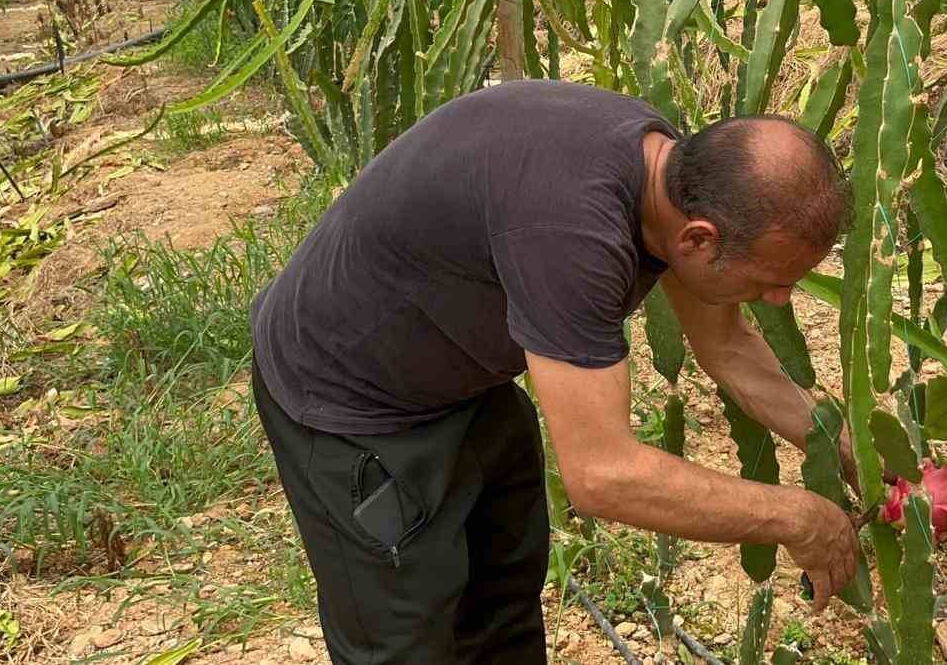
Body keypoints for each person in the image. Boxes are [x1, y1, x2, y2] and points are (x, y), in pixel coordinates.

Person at [250, 79, 861, 664]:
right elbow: (602, 474)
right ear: (699, 241)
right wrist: (795, 516)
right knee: (404, 642)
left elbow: (726, 348)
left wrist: (838, 443)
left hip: (460, 379)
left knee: (503, 611)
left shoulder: (676, 175)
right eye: (772, 280)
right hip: (349, 403)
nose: (780, 299)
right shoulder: (573, 232)